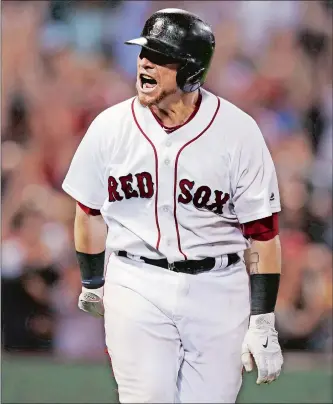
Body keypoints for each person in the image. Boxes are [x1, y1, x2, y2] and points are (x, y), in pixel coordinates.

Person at [62, 8, 283, 403]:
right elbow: (89, 212)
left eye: (162, 57)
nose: (146, 62)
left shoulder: (237, 132)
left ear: (191, 71)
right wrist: (93, 282)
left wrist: (263, 319)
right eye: (144, 52)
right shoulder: (111, 127)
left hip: (220, 288)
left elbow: (263, 235)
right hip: (136, 281)